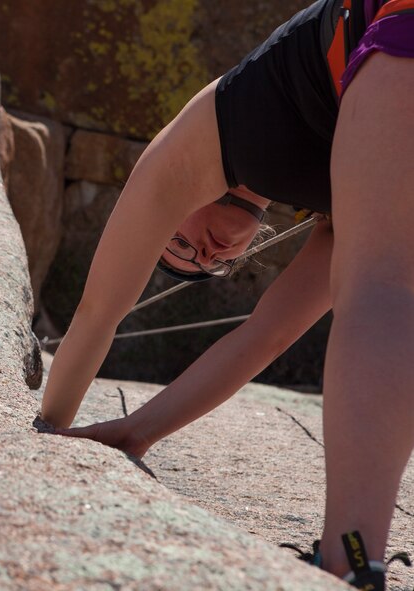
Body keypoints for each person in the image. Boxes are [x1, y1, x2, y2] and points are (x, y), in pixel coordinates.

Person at [38, 0, 414, 588]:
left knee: (382, 288)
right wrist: (136, 431)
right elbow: (266, 335)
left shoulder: (193, 146)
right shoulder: (344, 204)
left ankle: (346, 563)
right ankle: (352, 558)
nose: (203, 255)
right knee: (384, 288)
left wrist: (47, 431)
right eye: (205, 266)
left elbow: (97, 312)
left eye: (180, 247)